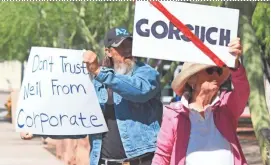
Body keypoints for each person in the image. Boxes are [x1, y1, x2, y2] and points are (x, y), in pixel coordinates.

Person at [152, 38, 250, 165]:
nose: (215, 75)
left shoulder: (226, 107)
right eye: (210, 70)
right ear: (192, 79)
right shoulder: (174, 115)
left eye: (218, 70)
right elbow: (162, 156)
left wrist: (235, 64)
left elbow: (243, 90)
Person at [83, 27, 163, 165]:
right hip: (103, 161)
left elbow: (139, 91)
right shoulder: (97, 81)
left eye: (130, 44)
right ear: (108, 51)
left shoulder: (147, 73)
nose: (128, 50)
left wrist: (98, 71)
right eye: (121, 46)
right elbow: (81, 119)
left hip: (140, 161)